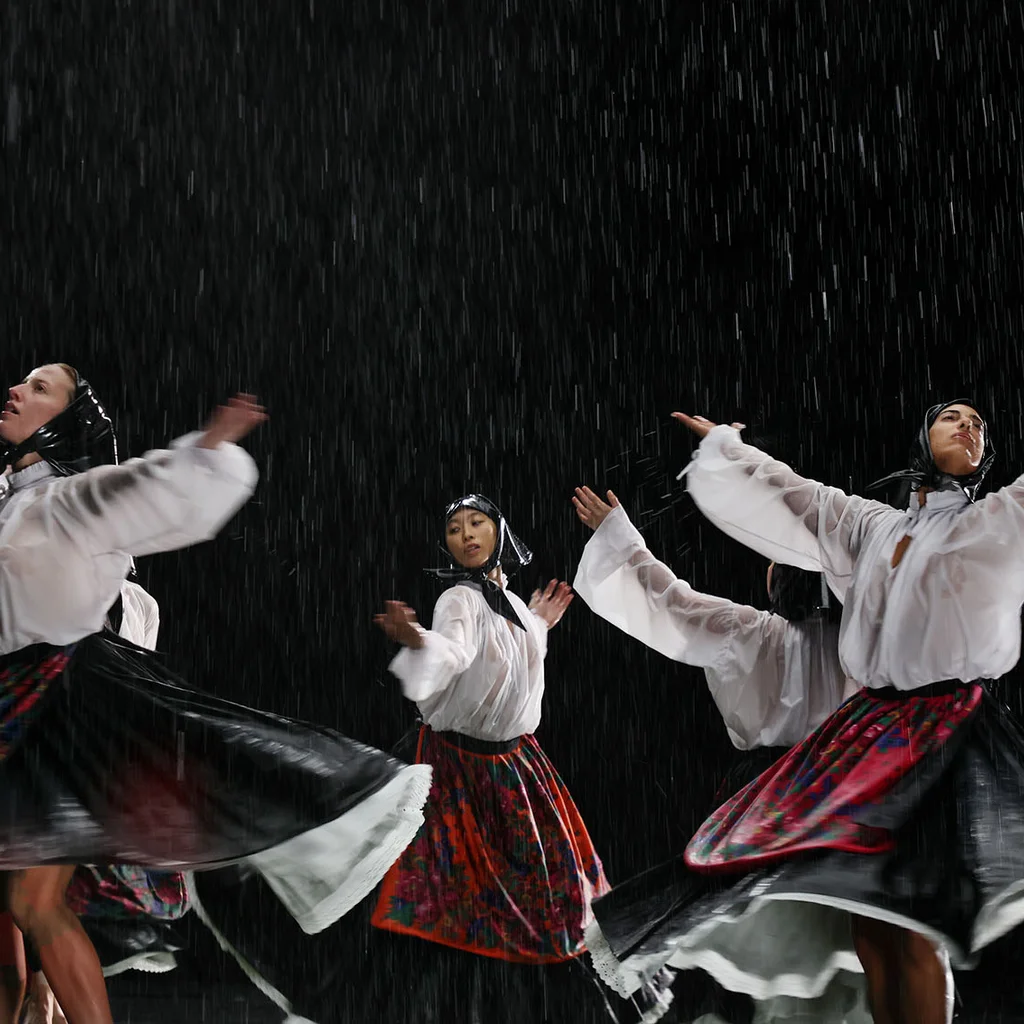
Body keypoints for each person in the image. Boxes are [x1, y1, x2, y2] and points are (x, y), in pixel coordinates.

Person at [0, 363, 432, 1024]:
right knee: (22, 902)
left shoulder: (73, 499)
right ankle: (41, 1002)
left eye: (40, 389)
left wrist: (204, 455)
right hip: (14, 709)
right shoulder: (10, 500)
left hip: (59, 718)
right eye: (22, 382)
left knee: (32, 901)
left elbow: (143, 488)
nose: (16, 391)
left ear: (65, 423)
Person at [585, 400, 1024, 1024]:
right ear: (921, 437)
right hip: (867, 738)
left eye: (980, 422)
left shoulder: (996, 520)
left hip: (943, 733)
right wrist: (728, 454)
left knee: (915, 922)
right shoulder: (875, 528)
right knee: (874, 931)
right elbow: (798, 496)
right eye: (951, 416)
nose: (970, 425)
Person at [369, 494, 672, 1024]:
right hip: (459, 769)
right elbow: (455, 653)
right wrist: (416, 638)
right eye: (456, 528)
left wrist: (538, 625)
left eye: (477, 523)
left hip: (516, 765)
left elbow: (512, 662)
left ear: (498, 532)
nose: (466, 535)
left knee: (557, 888)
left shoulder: (510, 603)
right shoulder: (457, 600)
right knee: (458, 896)